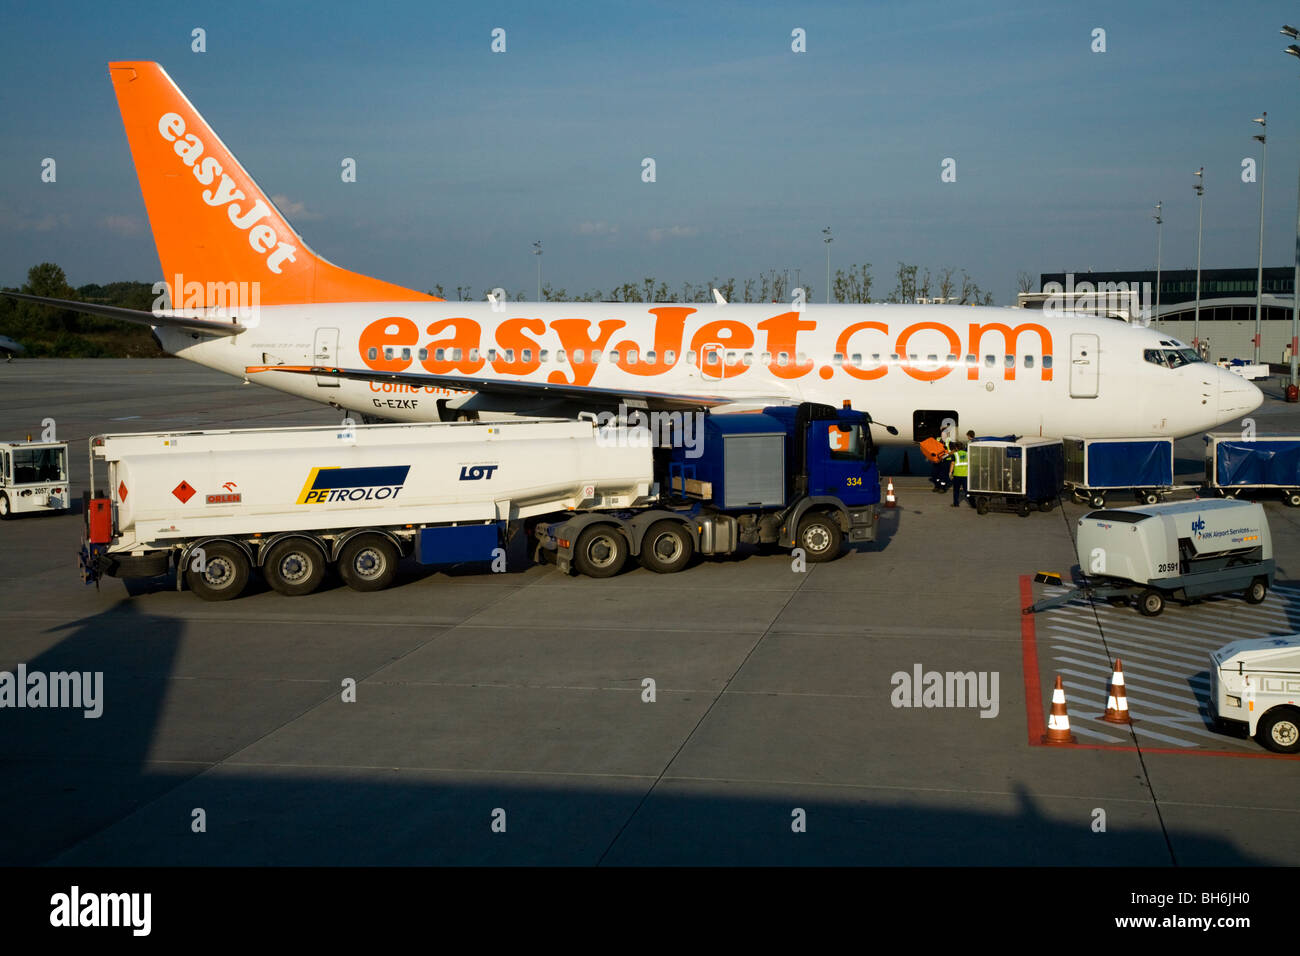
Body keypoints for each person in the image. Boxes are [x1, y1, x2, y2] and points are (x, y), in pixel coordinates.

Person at [950, 441, 968, 507]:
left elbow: (952, 464)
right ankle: (973, 503)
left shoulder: (955, 454)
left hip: (957, 475)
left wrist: (950, 472)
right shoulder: (967, 454)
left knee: (956, 490)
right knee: (967, 490)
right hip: (965, 474)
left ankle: (956, 503)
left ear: (956, 448)